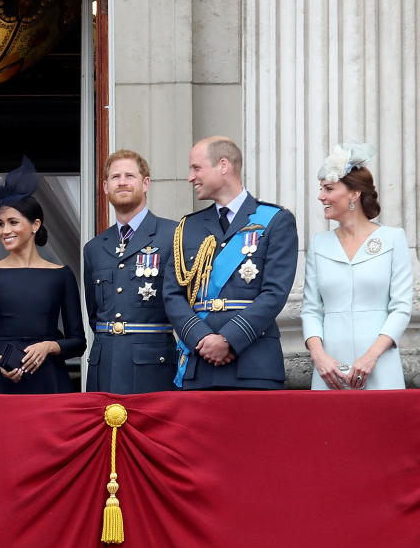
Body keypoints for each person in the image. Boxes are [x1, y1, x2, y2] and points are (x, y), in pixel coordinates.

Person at [163, 136, 298, 390]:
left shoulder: (276, 220)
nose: (191, 177)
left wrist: (229, 338)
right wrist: (201, 337)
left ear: (223, 165)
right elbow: (172, 294)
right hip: (198, 365)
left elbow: (275, 293)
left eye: (196, 168)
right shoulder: (187, 227)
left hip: (254, 364)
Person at [0, 156, 86, 394]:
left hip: (49, 380)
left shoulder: (61, 275)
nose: (5, 231)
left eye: (12, 222)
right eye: (0, 224)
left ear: (35, 225)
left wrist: (49, 346)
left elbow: (78, 342)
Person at [302, 143, 412, 390]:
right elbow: (310, 309)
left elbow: (401, 308)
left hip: (380, 364)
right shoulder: (319, 244)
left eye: (329, 189)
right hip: (329, 370)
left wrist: (371, 356)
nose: (321, 196)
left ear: (354, 194)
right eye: (321, 190)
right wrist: (319, 357)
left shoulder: (393, 239)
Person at [83, 150, 178, 394]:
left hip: (152, 367)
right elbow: (95, 313)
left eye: (129, 176)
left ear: (145, 183)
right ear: (105, 187)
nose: (122, 182)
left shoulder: (173, 235)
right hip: (104, 365)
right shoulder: (95, 248)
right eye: (115, 177)